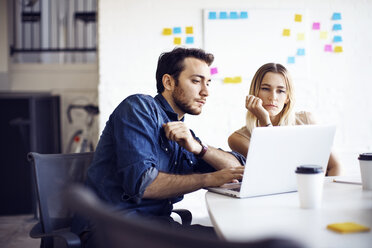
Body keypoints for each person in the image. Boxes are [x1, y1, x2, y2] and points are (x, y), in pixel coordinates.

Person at [72, 47, 245, 246]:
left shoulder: (183, 134)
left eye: (208, 83)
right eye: (196, 81)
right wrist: (208, 178)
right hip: (110, 228)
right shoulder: (138, 109)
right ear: (168, 82)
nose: (205, 92)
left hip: (155, 226)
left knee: (233, 239)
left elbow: (235, 169)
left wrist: (199, 149)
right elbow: (143, 185)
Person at [228, 63, 341, 176]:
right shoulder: (239, 138)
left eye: (280, 91)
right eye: (265, 89)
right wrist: (265, 121)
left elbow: (335, 167)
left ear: (287, 97)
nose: (273, 97)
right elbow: (276, 168)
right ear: (254, 93)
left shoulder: (307, 121)